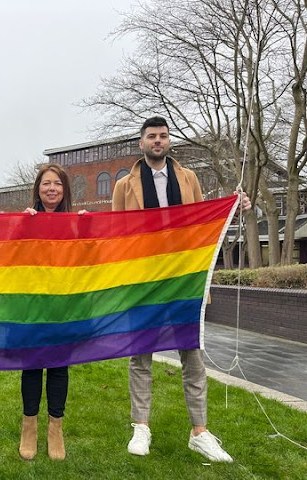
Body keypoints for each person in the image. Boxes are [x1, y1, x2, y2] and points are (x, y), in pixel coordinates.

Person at [112, 116, 251, 463]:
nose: (157, 141)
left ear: (168, 141)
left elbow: (203, 225)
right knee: (140, 355)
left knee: (192, 356)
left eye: (162, 136)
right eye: (151, 136)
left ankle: (200, 432)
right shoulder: (124, 185)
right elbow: (115, 235)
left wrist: (234, 207)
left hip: (182, 281)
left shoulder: (187, 178)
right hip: (144, 282)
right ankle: (141, 426)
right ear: (141, 143)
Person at [18, 164, 73, 461]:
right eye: (46, 183)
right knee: (32, 364)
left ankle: (56, 427)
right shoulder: (26, 220)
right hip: (32, 305)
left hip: (64, 305)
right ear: (37, 189)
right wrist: (19, 227)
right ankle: (29, 426)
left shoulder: (75, 223)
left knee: (58, 366)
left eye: (57, 184)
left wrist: (88, 228)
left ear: (64, 190)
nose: (51, 188)